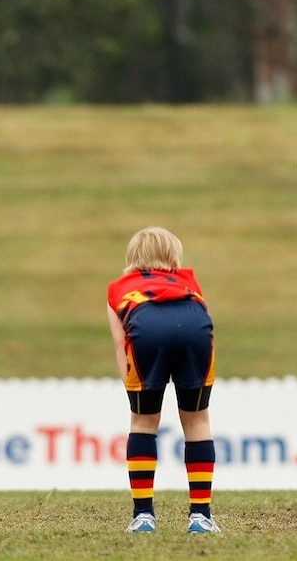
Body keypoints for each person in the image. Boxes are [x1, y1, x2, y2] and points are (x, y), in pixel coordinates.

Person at [106, 226, 221, 534]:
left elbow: (121, 345)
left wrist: (131, 385)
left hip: (146, 328)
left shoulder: (118, 287)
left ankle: (143, 516)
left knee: (143, 423)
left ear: (132, 258)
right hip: (195, 325)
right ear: (173, 257)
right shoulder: (189, 281)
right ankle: (201, 516)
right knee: (197, 422)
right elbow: (202, 316)